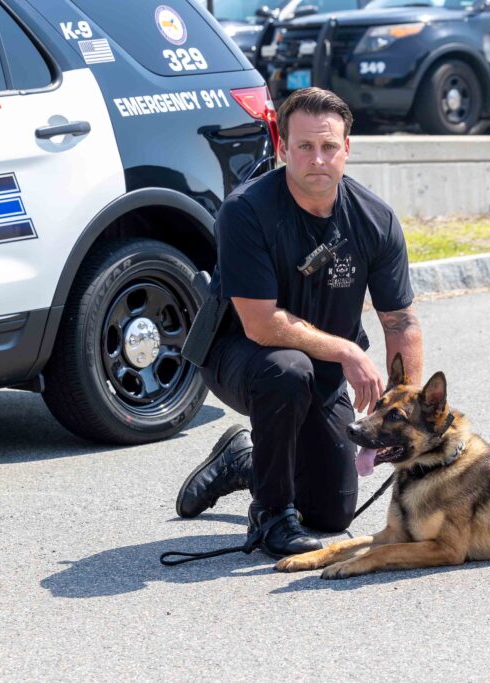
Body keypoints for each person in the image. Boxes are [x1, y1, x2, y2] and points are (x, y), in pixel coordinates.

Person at [175, 87, 423, 557]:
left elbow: (400, 321)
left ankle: (244, 460)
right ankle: (270, 514)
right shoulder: (246, 212)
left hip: (323, 369)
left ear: (347, 148)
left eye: (330, 146)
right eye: (305, 146)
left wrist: (404, 409)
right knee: (288, 370)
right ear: (282, 147)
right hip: (241, 357)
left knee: (332, 513)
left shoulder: (375, 218)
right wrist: (349, 351)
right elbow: (261, 325)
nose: (318, 159)